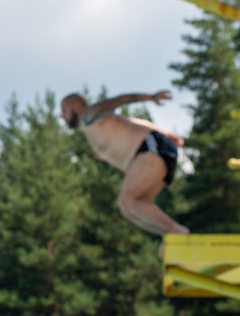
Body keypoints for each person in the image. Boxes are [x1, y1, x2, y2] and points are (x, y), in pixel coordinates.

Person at [61, 89, 190, 236]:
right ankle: (173, 236)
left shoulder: (91, 113)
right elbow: (131, 122)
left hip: (150, 148)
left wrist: (152, 97)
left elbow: (120, 99)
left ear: (77, 106)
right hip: (150, 154)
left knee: (128, 200)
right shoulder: (93, 128)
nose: (62, 116)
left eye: (64, 110)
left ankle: (177, 231)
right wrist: (164, 133)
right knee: (129, 208)